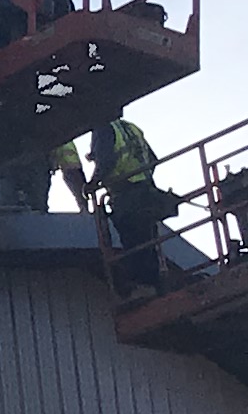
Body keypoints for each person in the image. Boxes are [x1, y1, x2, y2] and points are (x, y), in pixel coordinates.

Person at [72, 114, 179, 297]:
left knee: (133, 242)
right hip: (146, 191)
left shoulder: (102, 127)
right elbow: (152, 159)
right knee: (148, 241)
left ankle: (142, 287)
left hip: (126, 195)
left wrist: (92, 185)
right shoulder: (131, 128)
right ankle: (154, 286)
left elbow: (107, 162)